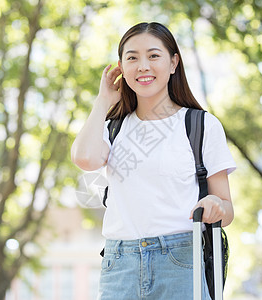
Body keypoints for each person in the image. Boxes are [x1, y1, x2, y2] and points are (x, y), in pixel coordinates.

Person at [71, 22, 236, 300]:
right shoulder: (114, 127)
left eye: (154, 56)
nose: (143, 66)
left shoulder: (200, 125)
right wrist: (103, 101)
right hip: (119, 264)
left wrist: (216, 205)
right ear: (121, 68)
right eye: (132, 58)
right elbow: (85, 158)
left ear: (173, 63)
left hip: (181, 262)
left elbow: (228, 210)